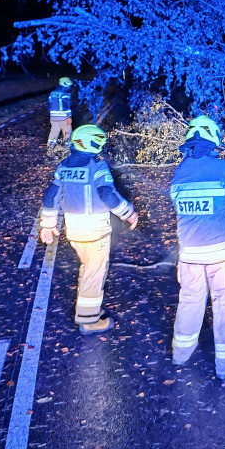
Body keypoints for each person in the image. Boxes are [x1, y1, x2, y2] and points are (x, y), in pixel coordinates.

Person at [169, 115, 225, 379]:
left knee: (190, 302)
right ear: (213, 141)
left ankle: (181, 354)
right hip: (223, 254)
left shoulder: (179, 172)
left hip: (190, 255)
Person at [39, 124, 138, 333]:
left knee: (87, 268)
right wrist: (128, 213)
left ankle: (88, 308)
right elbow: (107, 195)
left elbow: (50, 196)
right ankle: (89, 321)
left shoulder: (64, 166)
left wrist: (47, 225)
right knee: (94, 273)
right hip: (96, 231)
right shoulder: (97, 166)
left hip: (74, 231)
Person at [47, 77, 74, 153]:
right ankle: (67, 148)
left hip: (53, 117)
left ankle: (50, 147)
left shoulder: (52, 93)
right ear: (65, 85)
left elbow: (49, 105)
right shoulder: (66, 94)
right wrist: (69, 117)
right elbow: (67, 107)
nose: (69, 88)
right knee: (67, 132)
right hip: (64, 117)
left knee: (54, 131)